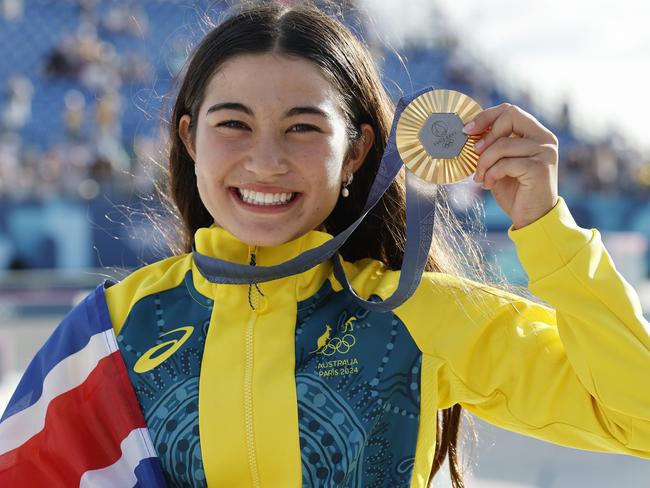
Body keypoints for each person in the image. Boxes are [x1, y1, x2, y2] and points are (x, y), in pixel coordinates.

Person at [1, 3, 649, 487]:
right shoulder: (115, 328)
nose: (266, 160)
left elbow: (637, 416)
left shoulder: (418, 315)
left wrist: (547, 228)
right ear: (191, 139)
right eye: (234, 125)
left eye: (303, 128)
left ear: (357, 152)